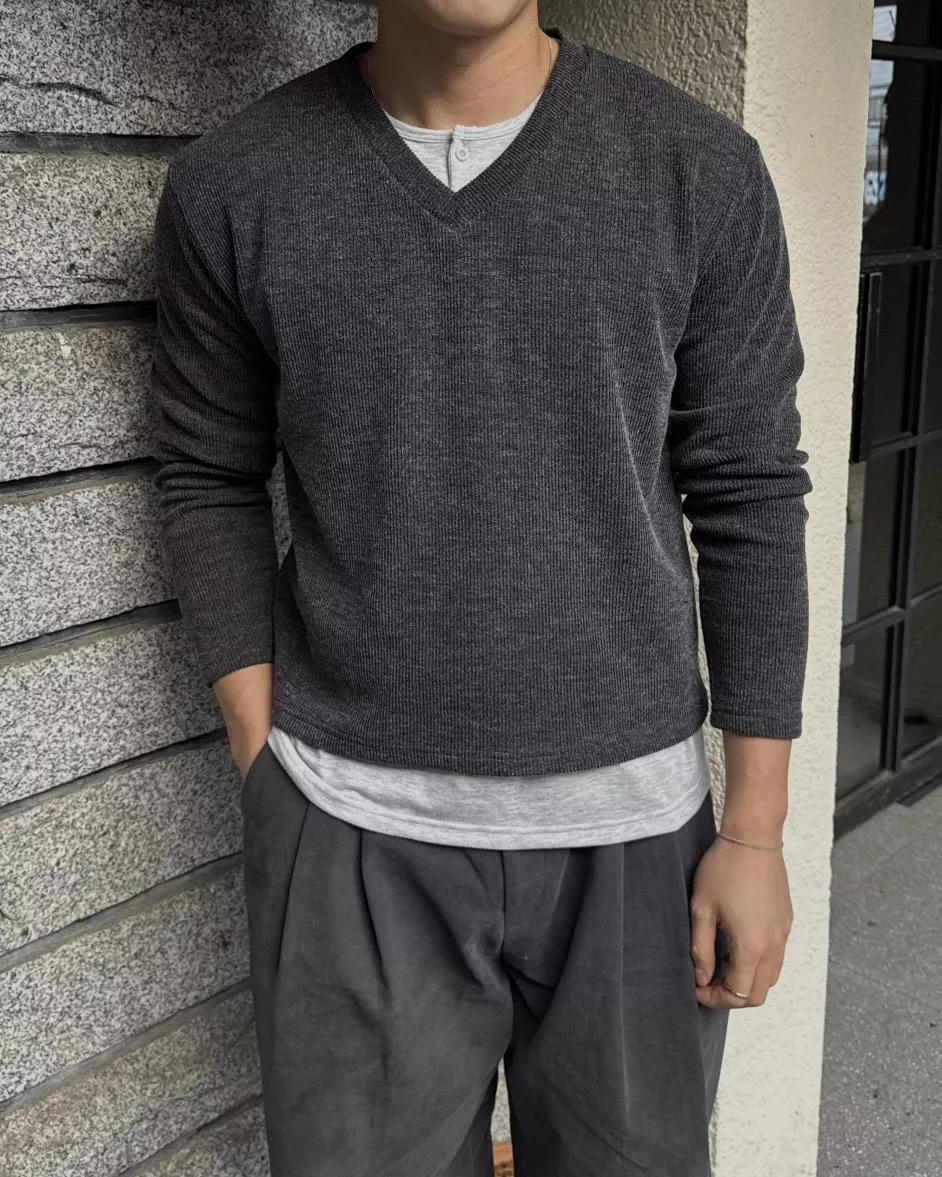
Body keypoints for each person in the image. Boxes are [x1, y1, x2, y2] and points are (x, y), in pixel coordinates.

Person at [149, 2, 810, 1174]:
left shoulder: (698, 170)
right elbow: (207, 473)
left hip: (636, 842)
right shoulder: (236, 185)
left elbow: (749, 491)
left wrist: (754, 832)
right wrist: (267, 760)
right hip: (348, 826)